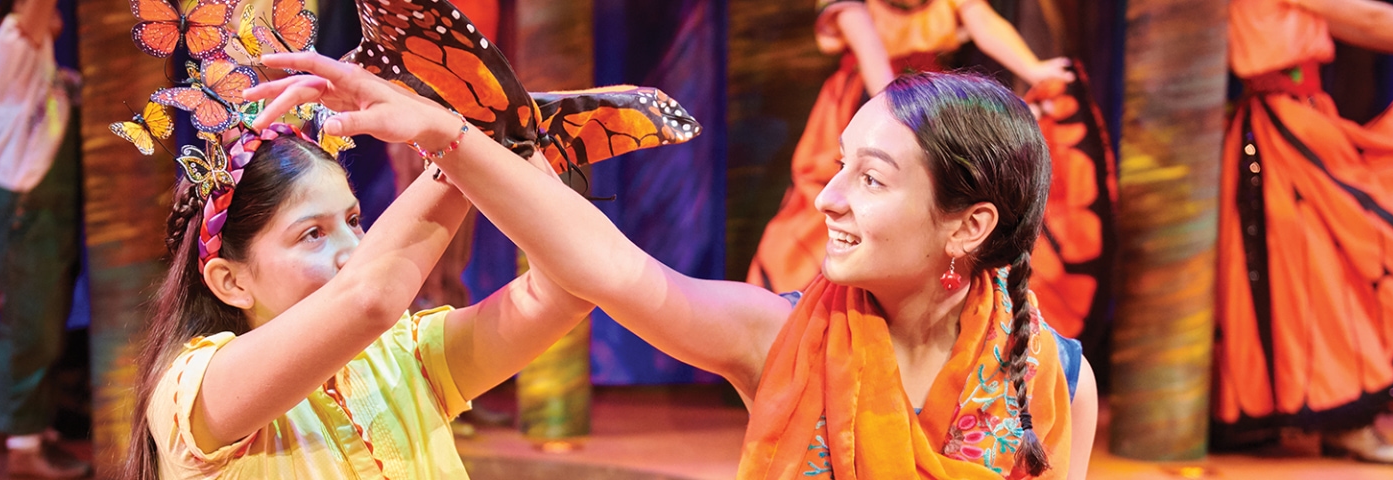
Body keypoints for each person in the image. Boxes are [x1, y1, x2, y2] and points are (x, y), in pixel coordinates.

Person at [249, 53, 1099, 479]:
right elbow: (611, 268)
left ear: (969, 225)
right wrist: (447, 135)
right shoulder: (774, 339)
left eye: (869, 179)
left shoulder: (1056, 378)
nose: (827, 197)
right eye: (837, 163)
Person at [120, 123, 602, 479]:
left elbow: (566, 291)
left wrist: (524, 152)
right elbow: (370, 297)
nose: (354, 250)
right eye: (313, 234)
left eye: (353, 220)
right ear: (231, 282)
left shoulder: (400, 355)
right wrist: (465, 141)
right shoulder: (193, 389)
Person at [1211, 0, 1393, 464]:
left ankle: (1279, 413)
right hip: (1281, 126)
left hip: (1280, 119)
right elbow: (1362, 16)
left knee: (1292, 272)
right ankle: (1343, 419)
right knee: (1316, 272)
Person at [751, 0, 1111, 339]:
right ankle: (799, 333)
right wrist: (903, 119)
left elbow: (982, 21)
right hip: (875, 104)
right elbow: (871, 53)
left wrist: (1033, 70)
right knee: (831, 214)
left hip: (932, 98)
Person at [0, 0, 87, 475]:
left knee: (48, 324)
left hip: (49, 216)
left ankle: (38, 432)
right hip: (26, 214)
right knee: (30, 327)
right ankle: (22, 451)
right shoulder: (13, 40)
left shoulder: (47, 66)